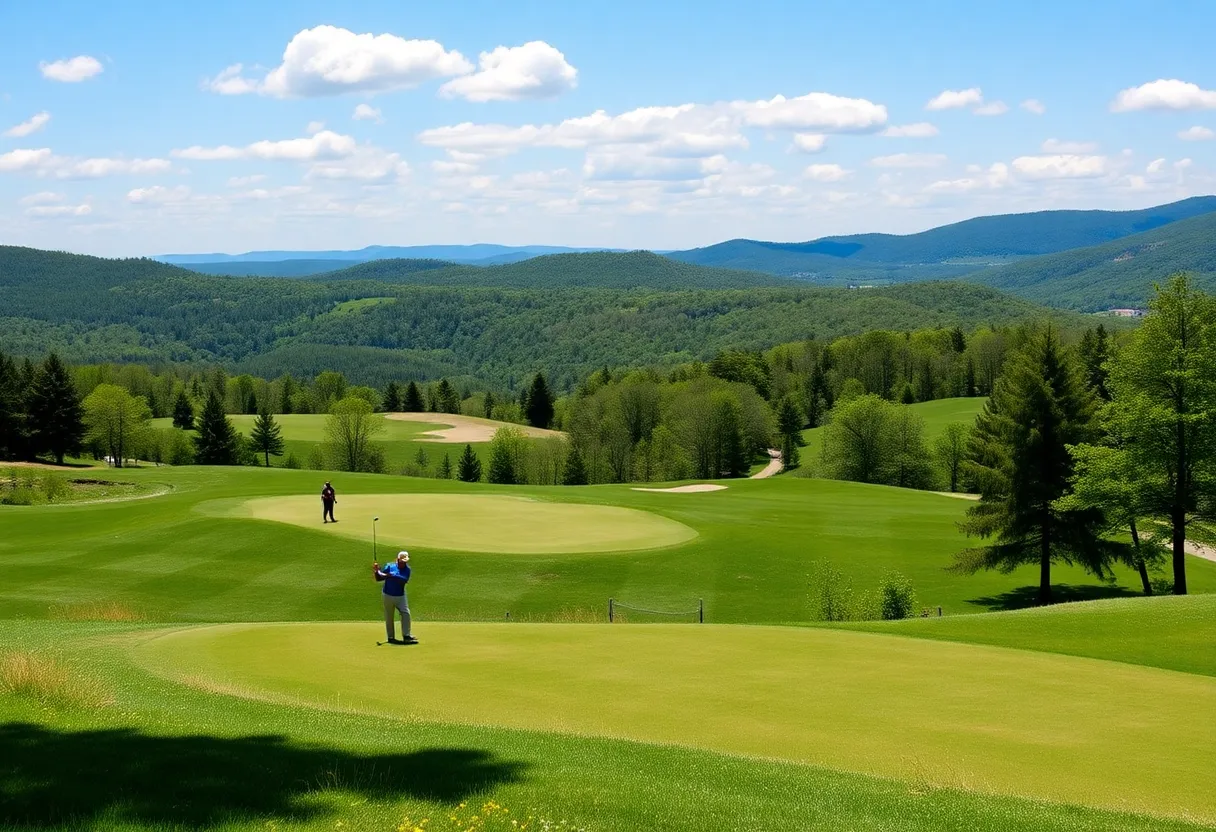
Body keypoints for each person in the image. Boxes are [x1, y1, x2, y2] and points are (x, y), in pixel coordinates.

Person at [373, 551, 417, 645]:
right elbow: (379, 578)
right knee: (389, 616)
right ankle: (391, 637)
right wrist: (377, 571)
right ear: (398, 560)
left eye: (405, 561)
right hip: (387, 594)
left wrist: (389, 575)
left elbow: (403, 580)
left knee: (406, 613)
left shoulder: (407, 570)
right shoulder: (389, 566)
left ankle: (406, 635)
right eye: (402, 561)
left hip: (400, 596)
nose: (404, 563)